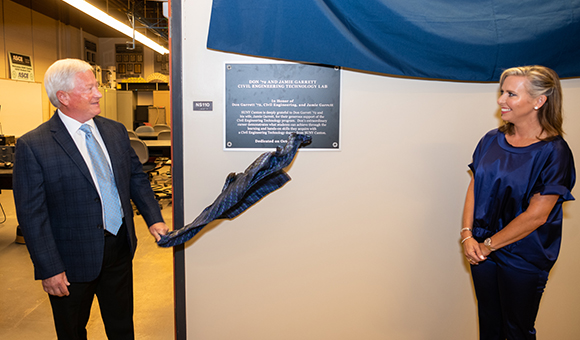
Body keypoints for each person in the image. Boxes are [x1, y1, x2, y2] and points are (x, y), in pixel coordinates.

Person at [12, 58, 169, 340]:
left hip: (119, 248)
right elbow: (32, 215)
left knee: (122, 326)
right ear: (63, 97)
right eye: (90, 88)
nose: (98, 93)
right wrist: (50, 268)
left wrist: (154, 218)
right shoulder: (34, 146)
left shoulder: (115, 131)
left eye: (96, 86)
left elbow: (135, 177)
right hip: (70, 262)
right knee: (72, 331)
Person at [461, 65, 575, 339]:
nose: (501, 100)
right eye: (502, 92)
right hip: (481, 250)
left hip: (524, 255)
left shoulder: (554, 152)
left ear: (539, 101)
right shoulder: (491, 139)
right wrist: (467, 236)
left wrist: (488, 246)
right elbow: (476, 185)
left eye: (511, 94)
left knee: (516, 331)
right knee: (489, 324)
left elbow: (536, 216)